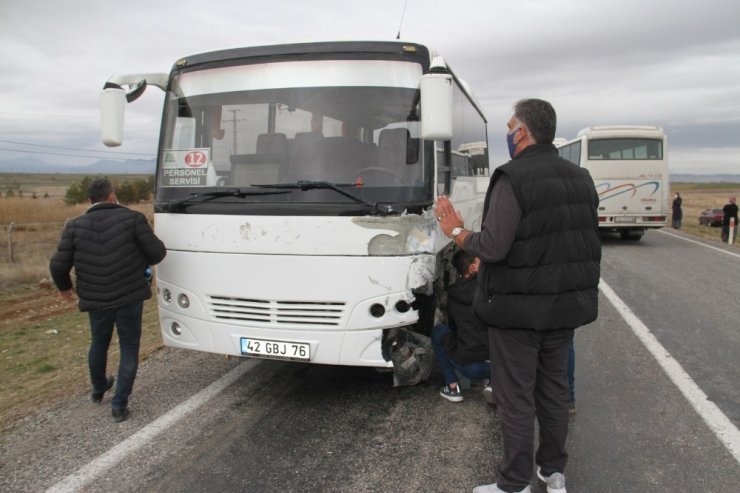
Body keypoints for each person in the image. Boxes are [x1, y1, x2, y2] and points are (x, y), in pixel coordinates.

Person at [435, 99, 601, 493]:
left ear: (522, 132)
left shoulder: (513, 177)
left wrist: (457, 232)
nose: (508, 134)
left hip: (518, 313)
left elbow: (492, 247)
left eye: (510, 127)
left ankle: (513, 483)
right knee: (554, 391)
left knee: (516, 398)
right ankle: (553, 472)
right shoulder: (581, 177)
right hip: (564, 309)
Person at [50, 178, 166, 423]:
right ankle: (119, 405)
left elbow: (57, 265)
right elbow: (157, 253)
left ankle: (98, 388)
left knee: (99, 343)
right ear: (112, 196)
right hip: (130, 297)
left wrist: (65, 289)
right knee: (129, 347)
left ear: (89, 200)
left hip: (96, 299)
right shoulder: (133, 219)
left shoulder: (74, 226)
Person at [431, 250, 490, 403]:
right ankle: (496, 384)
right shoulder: (491, 287)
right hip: (499, 364)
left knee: (438, 332)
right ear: (473, 268)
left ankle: (453, 388)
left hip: (470, 365)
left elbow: (453, 329)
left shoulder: (453, 294)